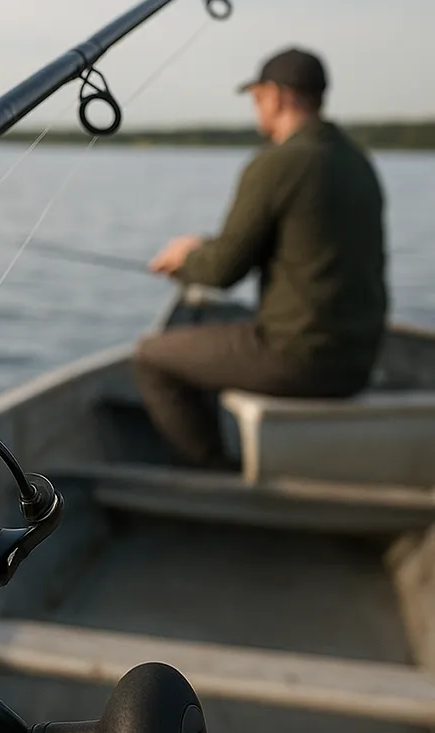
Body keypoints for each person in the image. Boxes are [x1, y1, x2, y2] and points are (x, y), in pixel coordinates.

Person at [132, 47, 387, 469]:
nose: (256, 111)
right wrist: (202, 250)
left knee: (151, 357)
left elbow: (222, 270)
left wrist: (186, 258)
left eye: (256, 99)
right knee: (215, 323)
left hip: (301, 361)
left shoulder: (278, 162)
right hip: (357, 360)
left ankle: (210, 475)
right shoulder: (356, 160)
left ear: (277, 96)